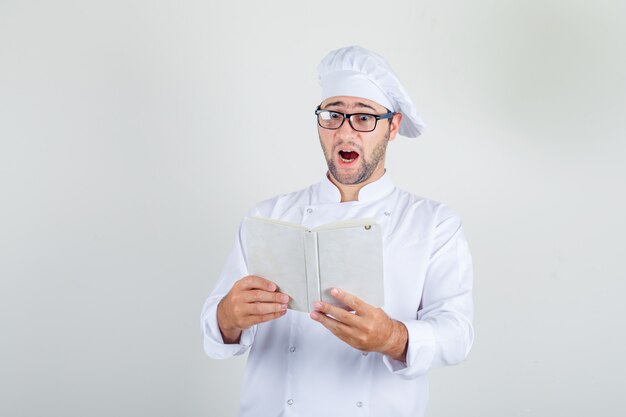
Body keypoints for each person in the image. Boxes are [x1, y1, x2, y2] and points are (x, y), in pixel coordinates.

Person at [201, 45, 474, 417]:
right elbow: (216, 328)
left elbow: (457, 334)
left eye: (364, 118)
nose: (345, 133)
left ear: (392, 127)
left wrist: (393, 337)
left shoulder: (432, 223)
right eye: (333, 115)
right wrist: (228, 317)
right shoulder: (268, 216)